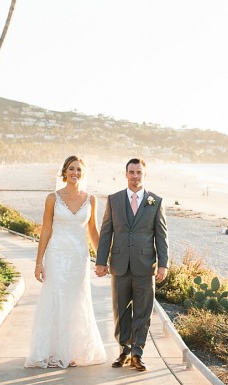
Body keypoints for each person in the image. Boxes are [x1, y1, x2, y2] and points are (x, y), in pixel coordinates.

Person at [24, 155, 106, 369]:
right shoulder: (53, 198)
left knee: (76, 302)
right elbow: (46, 230)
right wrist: (38, 262)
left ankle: (72, 352)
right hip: (57, 255)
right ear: (64, 171)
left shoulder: (91, 199)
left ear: (83, 173)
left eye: (79, 169)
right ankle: (51, 351)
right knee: (55, 300)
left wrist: (103, 260)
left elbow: (93, 232)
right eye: (71, 168)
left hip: (79, 258)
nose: (75, 173)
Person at [95, 158, 169, 372]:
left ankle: (138, 353)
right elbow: (106, 231)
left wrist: (163, 264)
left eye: (139, 172)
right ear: (125, 174)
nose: (135, 176)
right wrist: (101, 261)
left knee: (143, 312)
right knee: (120, 310)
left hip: (145, 266)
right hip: (119, 265)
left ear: (144, 175)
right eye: (132, 172)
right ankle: (124, 350)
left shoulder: (156, 201)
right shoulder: (114, 200)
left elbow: (161, 236)